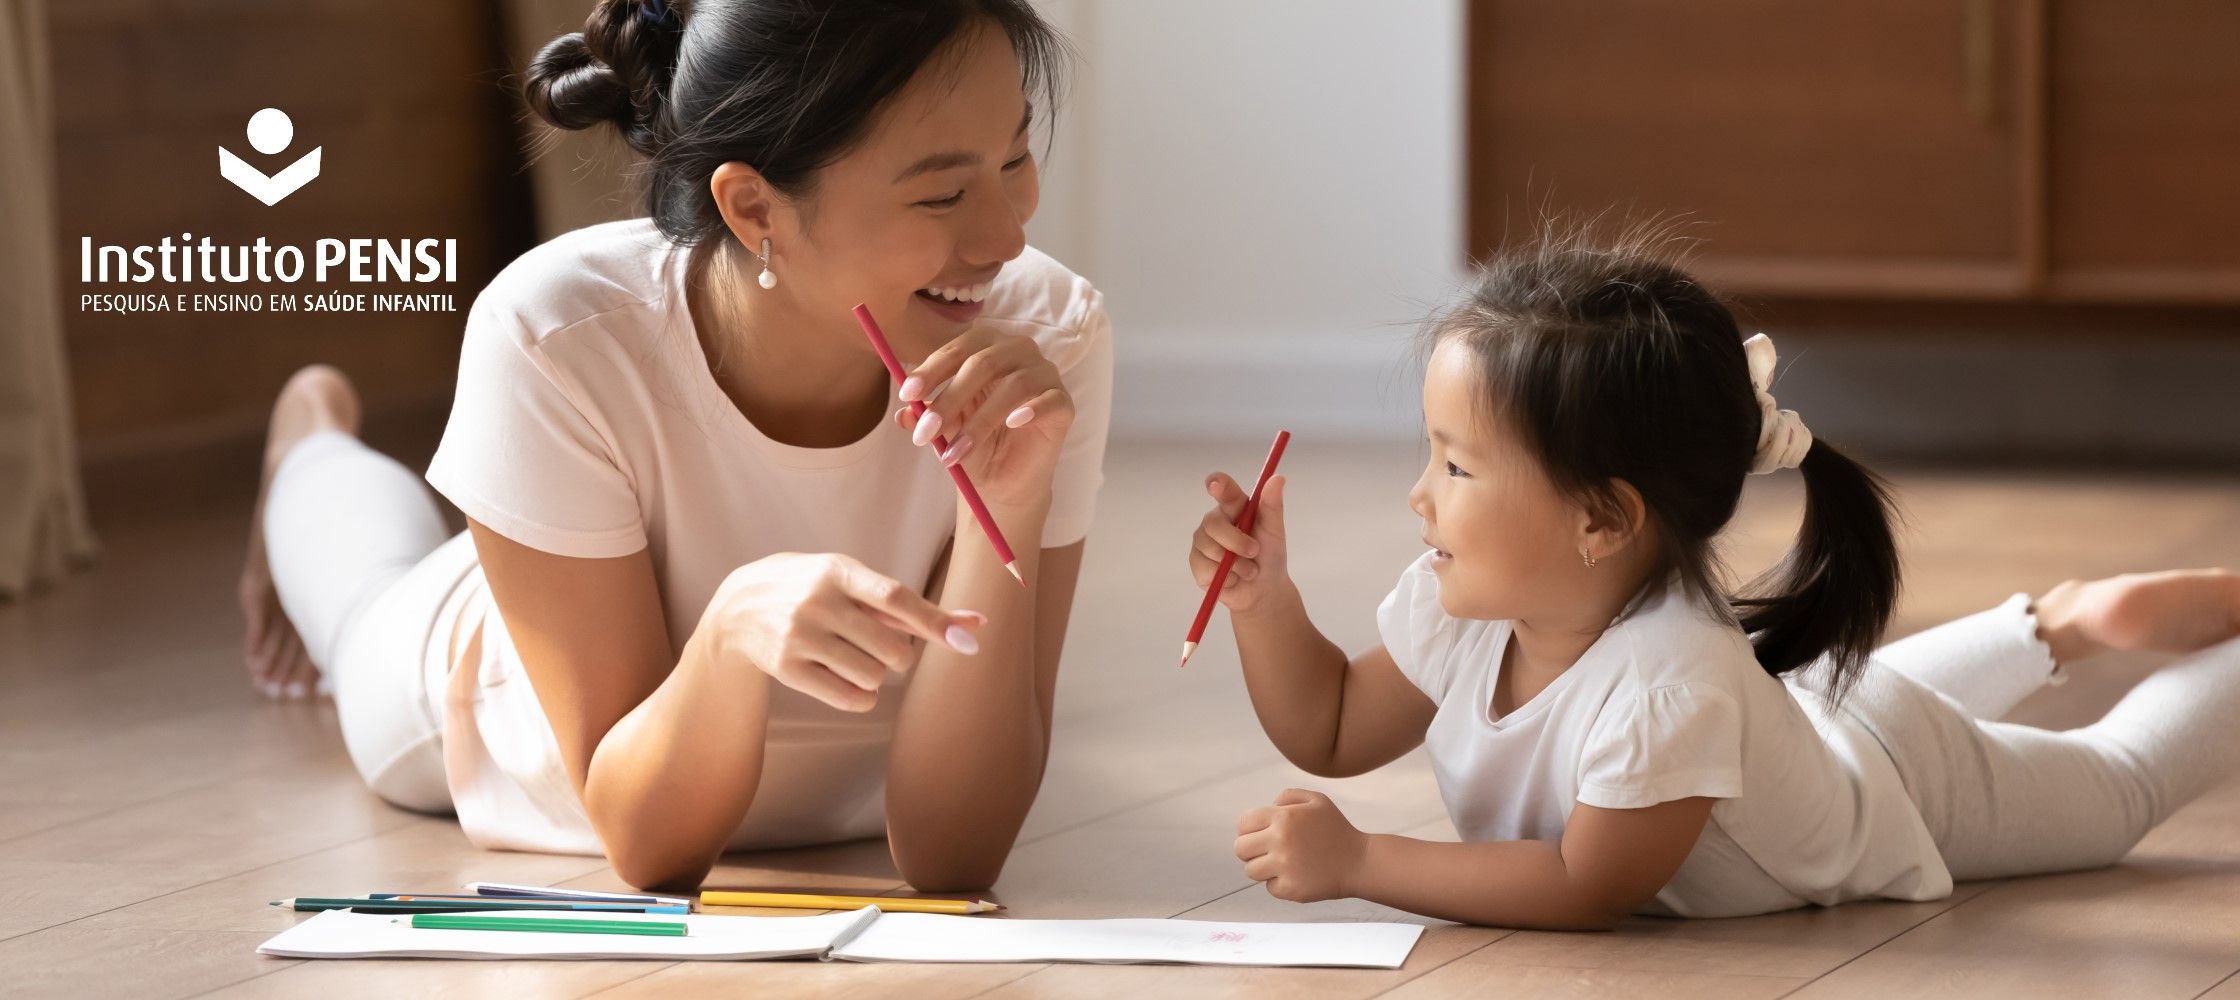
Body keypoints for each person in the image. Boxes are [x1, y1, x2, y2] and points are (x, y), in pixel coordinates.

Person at [237, 0, 1107, 892]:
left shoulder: (1047, 334)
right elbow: (647, 844)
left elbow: (954, 858)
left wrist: (1010, 499)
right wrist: (728, 638)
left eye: (1015, 158)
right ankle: (308, 436)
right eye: (943, 194)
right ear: (753, 205)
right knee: (360, 604)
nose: (1007, 237)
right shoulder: (559, 332)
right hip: (496, 700)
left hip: (818, 783)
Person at [1189, 227, 2240, 926]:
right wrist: (1262, 597)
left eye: (1456, 465)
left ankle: (2076, 627)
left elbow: (1583, 881)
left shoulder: (1668, 684)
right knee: (1861, 705)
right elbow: (1327, 725)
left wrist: (1363, 862)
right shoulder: (1471, 602)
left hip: (1895, 783)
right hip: (1815, 711)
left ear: (1601, 517)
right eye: (1431, 452)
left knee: (2117, 785)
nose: (1419, 495)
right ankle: (2055, 624)